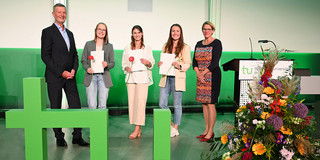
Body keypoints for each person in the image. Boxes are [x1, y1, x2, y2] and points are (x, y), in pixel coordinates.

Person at [41, 3, 89, 147]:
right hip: (55, 76)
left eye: (64, 12)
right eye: (59, 12)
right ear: (53, 14)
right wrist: (60, 72)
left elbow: (74, 54)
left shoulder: (70, 34)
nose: (62, 14)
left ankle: (77, 136)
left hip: (70, 77)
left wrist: (74, 69)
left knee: (76, 105)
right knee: (56, 107)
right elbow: (45, 56)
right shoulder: (47, 32)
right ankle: (59, 137)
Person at [121, 25, 155, 139]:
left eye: (139, 32)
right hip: (131, 78)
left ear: (142, 34)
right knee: (132, 103)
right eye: (135, 33)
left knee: (140, 103)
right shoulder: (127, 47)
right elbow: (124, 64)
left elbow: (152, 63)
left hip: (142, 77)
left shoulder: (147, 47)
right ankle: (138, 127)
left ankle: (136, 128)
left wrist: (147, 62)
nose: (137, 35)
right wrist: (126, 68)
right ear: (132, 34)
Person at [158, 24, 191, 137]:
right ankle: (171, 124)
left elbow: (188, 64)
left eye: (177, 31)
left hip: (178, 77)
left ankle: (176, 128)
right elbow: (162, 60)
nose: (175, 33)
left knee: (177, 104)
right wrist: (160, 64)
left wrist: (179, 65)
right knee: (162, 103)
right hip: (166, 77)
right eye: (173, 31)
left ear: (180, 33)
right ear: (170, 32)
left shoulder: (185, 47)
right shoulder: (165, 46)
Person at [193, 21, 222, 142]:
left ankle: (210, 132)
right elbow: (194, 62)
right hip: (201, 77)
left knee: (210, 104)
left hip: (212, 76)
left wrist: (202, 73)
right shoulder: (199, 43)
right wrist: (198, 74)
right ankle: (206, 130)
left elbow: (215, 62)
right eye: (204, 29)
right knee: (204, 104)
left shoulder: (217, 43)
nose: (206, 31)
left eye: (209, 29)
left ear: (213, 30)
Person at [81, 22, 115, 109]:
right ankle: (93, 123)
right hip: (91, 76)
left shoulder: (109, 46)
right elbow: (83, 60)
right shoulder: (88, 44)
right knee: (92, 105)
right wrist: (87, 68)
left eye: (104, 30)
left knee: (103, 105)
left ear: (106, 32)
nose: (101, 31)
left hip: (104, 77)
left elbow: (112, 63)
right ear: (95, 31)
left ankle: (101, 123)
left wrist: (107, 64)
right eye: (99, 29)